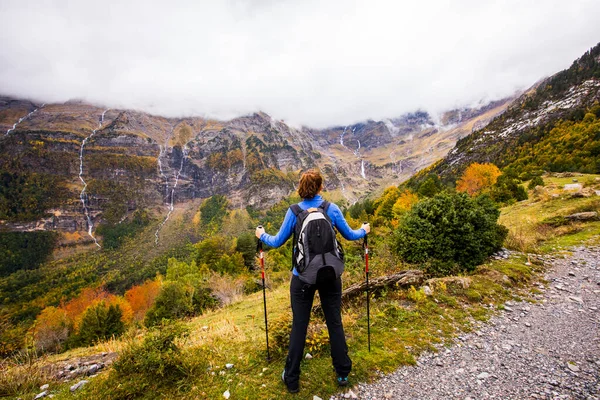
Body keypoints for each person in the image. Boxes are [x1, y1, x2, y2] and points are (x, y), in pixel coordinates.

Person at [255, 169, 370, 393]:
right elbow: (350, 235)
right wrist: (364, 230)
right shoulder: (331, 209)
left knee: (300, 325)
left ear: (301, 188)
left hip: (302, 278)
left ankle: (292, 378)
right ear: (320, 187)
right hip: (330, 276)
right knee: (334, 321)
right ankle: (343, 373)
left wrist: (261, 235)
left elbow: (277, 241)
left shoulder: (294, 211)